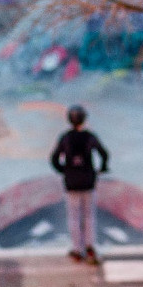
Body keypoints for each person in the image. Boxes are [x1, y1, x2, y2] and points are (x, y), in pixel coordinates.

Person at [49, 105, 109, 264]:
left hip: (71, 182)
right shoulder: (90, 137)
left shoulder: (65, 138)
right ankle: (90, 247)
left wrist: (64, 170)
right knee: (89, 216)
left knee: (74, 217)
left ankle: (77, 249)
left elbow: (54, 159)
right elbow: (104, 154)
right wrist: (102, 169)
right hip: (88, 181)